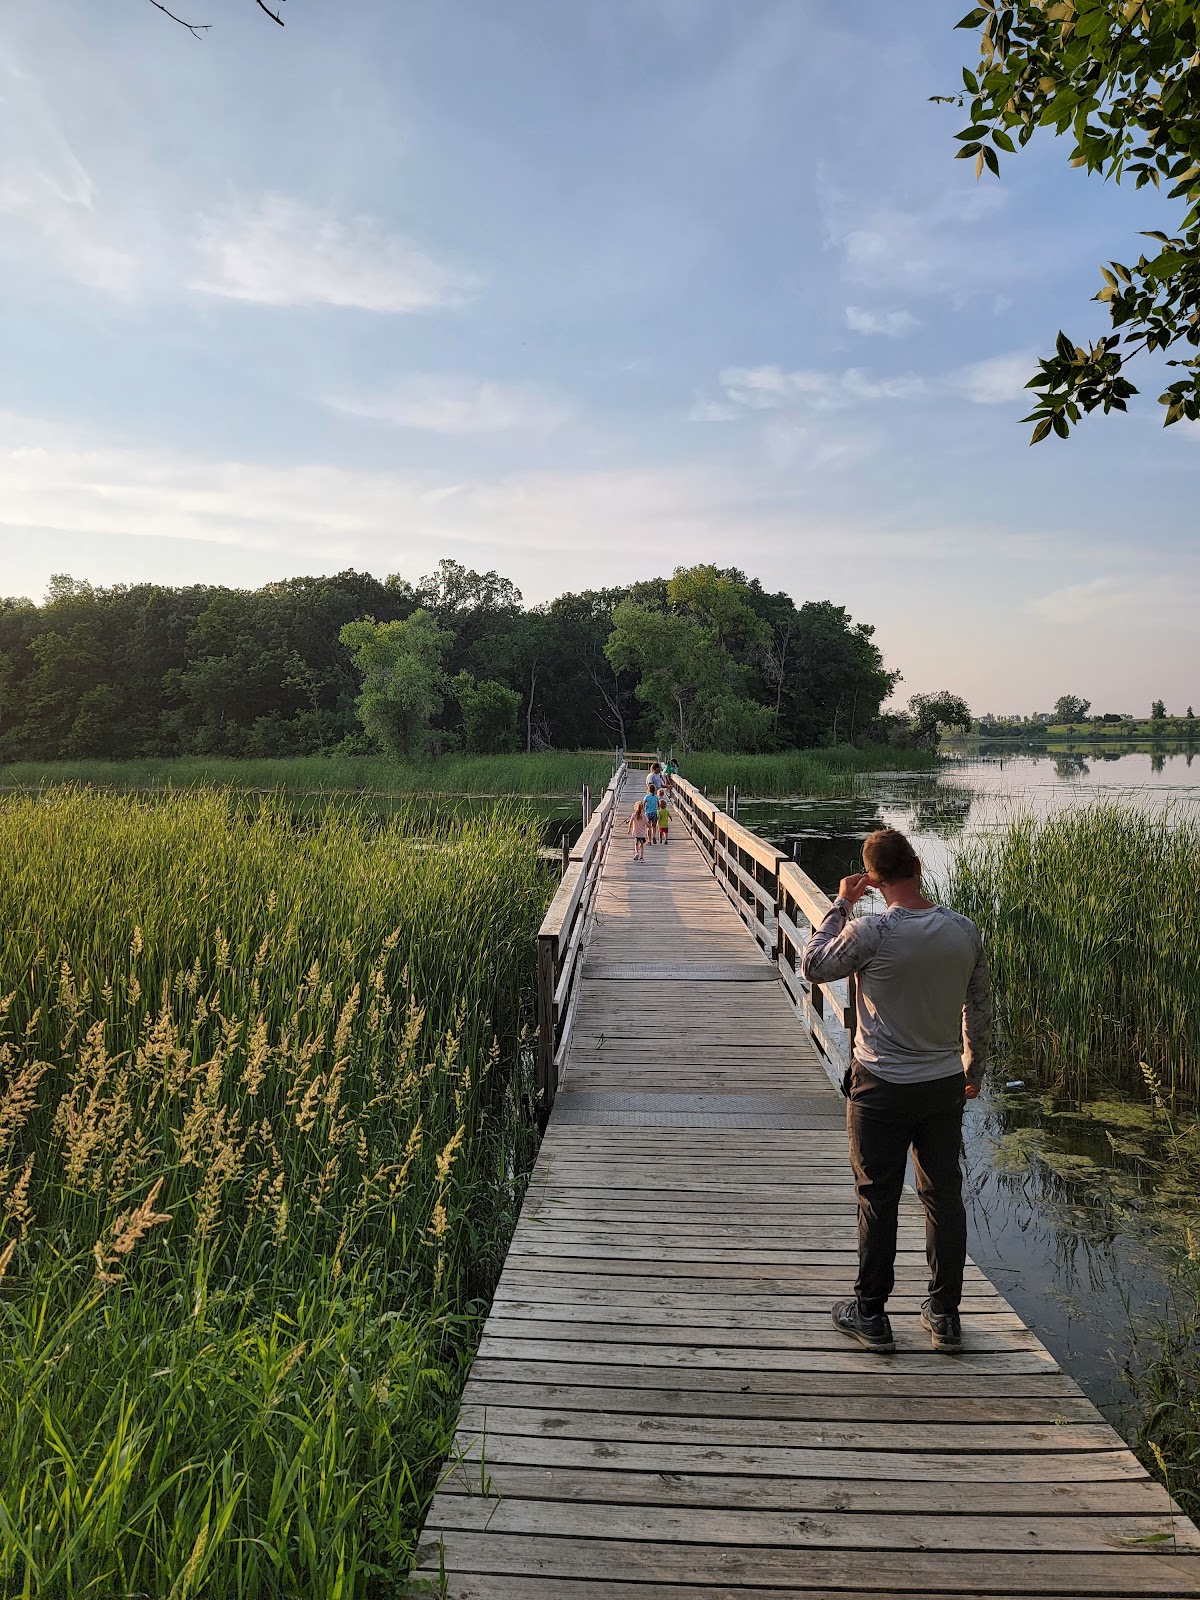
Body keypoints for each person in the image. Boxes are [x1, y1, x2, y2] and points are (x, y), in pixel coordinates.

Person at [800, 828, 990, 1356]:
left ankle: (871, 1314)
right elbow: (978, 1006)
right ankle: (945, 1314)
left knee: (877, 1197)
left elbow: (814, 965)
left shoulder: (870, 931)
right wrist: (973, 1067)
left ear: (874, 880)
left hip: (880, 1085)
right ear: (919, 867)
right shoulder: (964, 930)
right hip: (942, 1083)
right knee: (943, 1197)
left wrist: (841, 902)